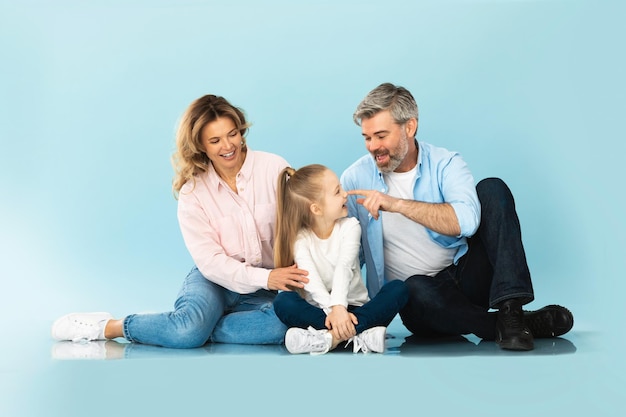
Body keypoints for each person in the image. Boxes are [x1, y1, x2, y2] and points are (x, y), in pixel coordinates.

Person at [51, 94, 310, 351]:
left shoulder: (274, 168)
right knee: (188, 332)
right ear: (201, 146)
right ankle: (111, 326)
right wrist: (267, 278)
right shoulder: (193, 191)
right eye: (215, 140)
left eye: (232, 134)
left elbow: (302, 226)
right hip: (216, 280)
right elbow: (211, 262)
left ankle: (187, 325)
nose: (228, 146)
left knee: (283, 327)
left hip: (270, 283)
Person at [340, 82, 574, 351]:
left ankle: (511, 308)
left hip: (466, 279)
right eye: (367, 138)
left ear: (409, 127)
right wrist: (332, 305)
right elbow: (348, 251)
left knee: (491, 189)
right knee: (413, 286)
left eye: (381, 136)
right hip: (420, 303)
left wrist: (396, 204)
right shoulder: (355, 178)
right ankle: (512, 325)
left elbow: (467, 221)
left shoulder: (446, 163)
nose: (373, 147)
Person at [272, 164, 408, 355]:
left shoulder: (351, 227)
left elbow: (344, 268)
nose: (345, 194)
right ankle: (358, 337)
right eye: (337, 192)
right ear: (316, 209)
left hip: (356, 310)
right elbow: (311, 281)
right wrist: (333, 312)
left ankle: (329, 339)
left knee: (399, 288)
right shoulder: (301, 239)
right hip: (321, 311)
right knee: (283, 301)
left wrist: (341, 309)